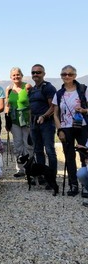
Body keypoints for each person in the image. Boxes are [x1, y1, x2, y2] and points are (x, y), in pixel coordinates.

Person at [53, 65, 88, 197]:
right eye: (64, 74)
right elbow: (55, 114)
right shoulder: (58, 93)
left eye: (70, 74)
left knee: (85, 155)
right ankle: (73, 184)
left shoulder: (83, 90)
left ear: (75, 76)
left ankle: (86, 184)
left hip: (82, 126)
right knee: (69, 157)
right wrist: (59, 130)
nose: (67, 76)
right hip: (65, 128)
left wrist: (84, 110)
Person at [28, 64, 57, 188]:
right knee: (38, 151)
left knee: (50, 151)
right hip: (34, 123)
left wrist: (44, 116)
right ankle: (42, 176)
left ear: (44, 74)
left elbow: (53, 106)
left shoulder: (49, 88)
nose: (35, 74)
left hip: (47, 124)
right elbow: (31, 108)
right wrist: (30, 123)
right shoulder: (32, 90)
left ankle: (52, 178)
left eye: (38, 72)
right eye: (33, 72)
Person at [5, 67, 33, 178]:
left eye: (18, 75)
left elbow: (32, 103)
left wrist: (31, 119)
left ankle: (30, 167)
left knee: (28, 145)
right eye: (14, 75)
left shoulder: (27, 87)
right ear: (11, 77)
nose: (16, 77)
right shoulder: (9, 89)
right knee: (17, 145)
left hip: (26, 119)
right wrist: (7, 121)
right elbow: (7, 105)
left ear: (21, 75)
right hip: (14, 120)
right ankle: (20, 169)